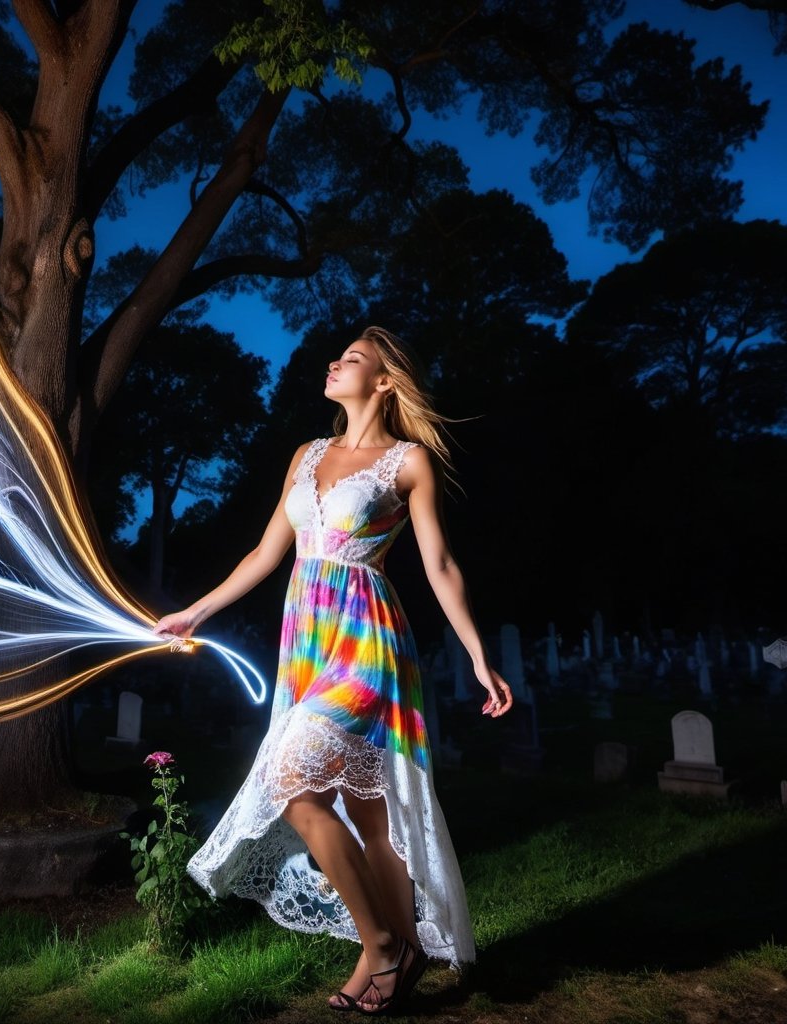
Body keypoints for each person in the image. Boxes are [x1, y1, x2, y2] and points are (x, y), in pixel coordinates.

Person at [153, 325, 513, 1015]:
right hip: (307, 640)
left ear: (383, 382)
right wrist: (195, 613)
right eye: (337, 356)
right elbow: (265, 555)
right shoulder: (306, 453)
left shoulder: (407, 462)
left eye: (352, 359)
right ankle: (392, 957)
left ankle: (383, 945)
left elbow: (439, 565)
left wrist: (476, 655)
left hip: (367, 639)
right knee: (363, 807)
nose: (333, 363)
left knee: (293, 777)